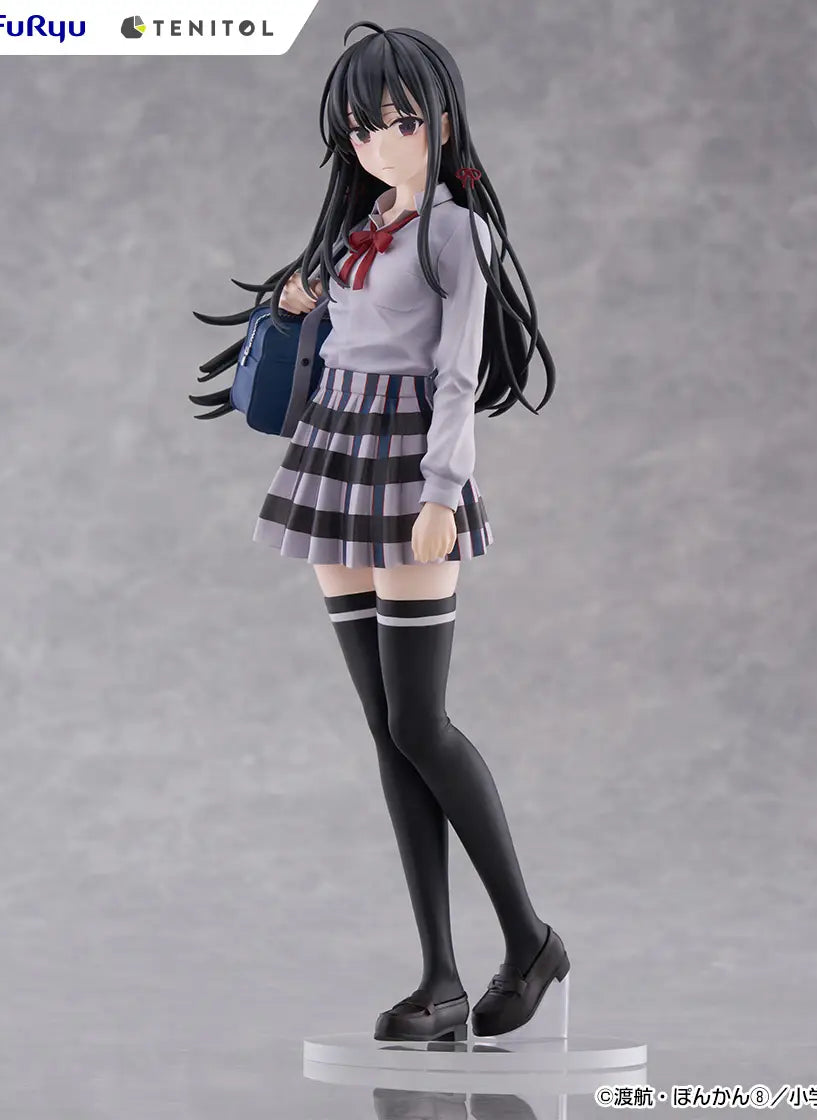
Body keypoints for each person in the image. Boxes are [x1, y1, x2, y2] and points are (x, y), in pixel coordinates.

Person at [198, 20, 567, 1042]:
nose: (378, 142)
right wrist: (291, 300)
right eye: (362, 128)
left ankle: (530, 938)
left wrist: (443, 487)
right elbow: (316, 333)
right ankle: (439, 976)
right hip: (333, 452)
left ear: (440, 124)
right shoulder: (358, 228)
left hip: (409, 461)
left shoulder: (455, 232)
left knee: (420, 722)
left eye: (399, 122)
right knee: (385, 728)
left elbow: (456, 371)